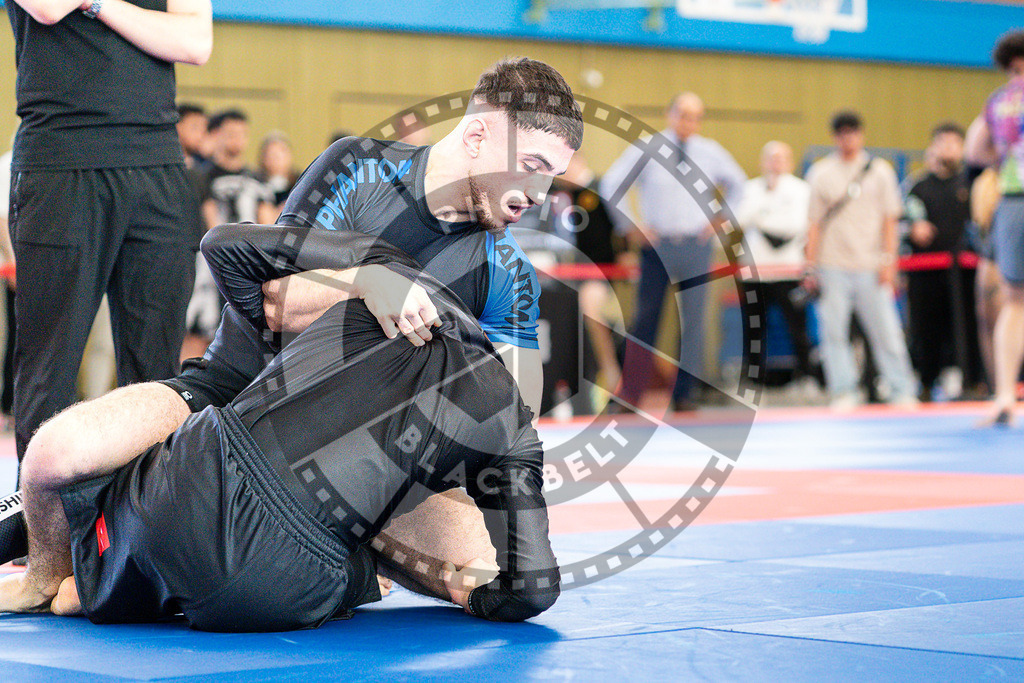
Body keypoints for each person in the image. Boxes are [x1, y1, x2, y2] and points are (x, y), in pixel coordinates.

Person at [0, 223, 559, 629]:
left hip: (212, 474)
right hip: (288, 584)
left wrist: (365, 278)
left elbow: (221, 245)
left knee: (102, 512)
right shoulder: (511, 419)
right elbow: (531, 589)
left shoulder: (380, 282)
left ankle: (79, 576)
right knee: (70, 462)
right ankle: (354, 575)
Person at [265, 57, 583, 417]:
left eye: (552, 176)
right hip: (245, 390)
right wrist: (365, 283)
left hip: (351, 441)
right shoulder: (359, 170)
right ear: (476, 137)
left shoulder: (508, 272)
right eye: (531, 167)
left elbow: (517, 419)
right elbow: (275, 303)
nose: (540, 194)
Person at [5, 0, 213, 464]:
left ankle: (145, 510)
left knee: (156, 366)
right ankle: (43, 522)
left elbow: (195, 42)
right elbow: (47, 8)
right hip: (61, 162)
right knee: (49, 363)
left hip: (156, 161)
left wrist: (98, 4)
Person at [600, 92, 746, 413]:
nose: (688, 122)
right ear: (670, 113)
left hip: (696, 244)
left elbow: (740, 185)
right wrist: (631, 227)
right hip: (658, 245)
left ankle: (684, 395)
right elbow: (611, 185)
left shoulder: (710, 152)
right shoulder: (649, 148)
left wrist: (719, 222)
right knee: (646, 319)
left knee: (694, 321)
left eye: (695, 116)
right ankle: (632, 395)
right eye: (683, 114)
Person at [805, 111, 917, 410]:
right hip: (831, 265)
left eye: (853, 132)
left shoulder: (880, 171)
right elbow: (813, 224)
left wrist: (889, 262)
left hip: (871, 265)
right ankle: (843, 391)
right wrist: (810, 266)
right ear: (834, 137)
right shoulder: (821, 173)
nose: (848, 138)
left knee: (887, 333)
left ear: (861, 134)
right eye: (841, 133)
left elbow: (890, 220)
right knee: (833, 334)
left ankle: (901, 388)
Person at [183, 109, 277, 359]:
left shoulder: (257, 180)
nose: (238, 140)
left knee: (248, 338)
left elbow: (270, 227)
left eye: (243, 134)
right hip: (206, 268)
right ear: (216, 136)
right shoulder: (202, 176)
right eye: (231, 134)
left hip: (248, 268)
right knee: (197, 333)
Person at [965, 30, 1024, 426]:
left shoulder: (998, 100)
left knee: (1015, 301)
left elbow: (975, 150)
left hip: (1014, 200)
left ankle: (1004, 395)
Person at [904, 123, 982, 401]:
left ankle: (974, 383)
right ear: (933, 146)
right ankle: (926, 383)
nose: (948, 148)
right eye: (942, 142)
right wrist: (913, 229)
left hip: (965, 272)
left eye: (954, 143)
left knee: (969, 327)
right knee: (926, 329)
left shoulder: (971, 184)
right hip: (925, 273)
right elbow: (902, 221)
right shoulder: (917, 185)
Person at [735, 141, 819, 388]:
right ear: (762, 162)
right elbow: (739, 220)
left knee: (798, 328)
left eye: (781, 158)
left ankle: (807, 376)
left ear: (790, 162)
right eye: (771, 158)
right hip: (754, 271)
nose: (776, 163)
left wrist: (762, 218)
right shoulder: (749, 189)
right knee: (753, 330)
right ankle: (751, 380)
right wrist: (766, 204)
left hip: (789, 270)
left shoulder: (802, 190)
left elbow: (797, 225)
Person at [257, 131, 299, 213]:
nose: (275, 160)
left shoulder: (299, 183)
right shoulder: (257, 185)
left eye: (279, 155)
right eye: (271, 155)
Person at [176, 102, 210, 170]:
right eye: (195, 127)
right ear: (177, 127)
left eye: (204, 128)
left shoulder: (202, 164)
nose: (202, 134)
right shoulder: (165, 166)